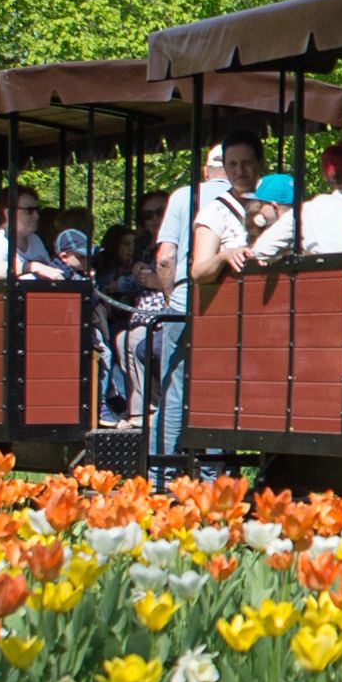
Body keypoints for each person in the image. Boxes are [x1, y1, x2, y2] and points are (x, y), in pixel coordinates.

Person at [136, 140, 264, 466]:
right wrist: (223, 256)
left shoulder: (267, 205)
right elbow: (195, 267)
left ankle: (190, 477)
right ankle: (173, 475)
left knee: (196, 396)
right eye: (233, 164)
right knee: (193, 395)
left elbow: (166, 259)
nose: (239, 171)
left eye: (246, 163)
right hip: (209, 309)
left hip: (219, 312)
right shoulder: (217, 208)